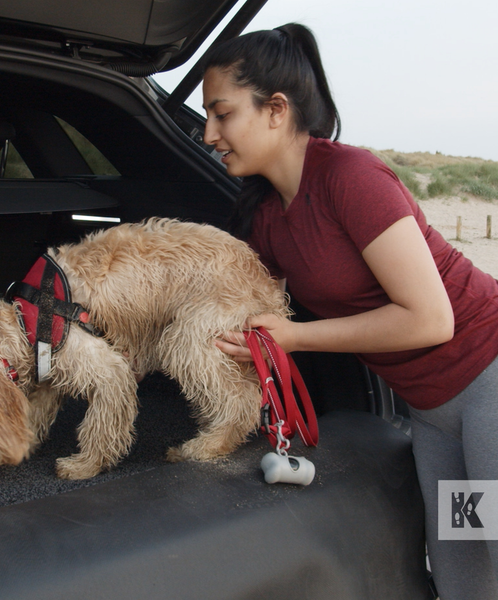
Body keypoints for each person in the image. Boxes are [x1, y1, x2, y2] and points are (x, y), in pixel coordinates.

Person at [201, 23, 498, 600]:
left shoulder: (352, 178)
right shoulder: (267, 216)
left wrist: (297, 337)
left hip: (488, 381)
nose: (208, 132)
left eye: (221, 113)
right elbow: (253, 309)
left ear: (276, 110)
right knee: (468, 571)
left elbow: (430, 319)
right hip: (436, 415)